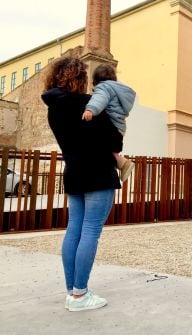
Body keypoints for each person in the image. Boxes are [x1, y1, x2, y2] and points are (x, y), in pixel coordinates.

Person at [42, 56, 121, 312]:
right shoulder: (88, 104)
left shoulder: (53, 108)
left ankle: (72, 291)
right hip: (98, 173)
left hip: (74, 173)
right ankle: (80, 295)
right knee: (90, 231)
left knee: (74, 229)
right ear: (79, 78)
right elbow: (115, 142)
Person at [82, 64, 136, 182]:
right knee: (109, 149)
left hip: (111, 125)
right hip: (119, 127)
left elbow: (99, 99)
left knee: (99, 144)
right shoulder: (119, 91)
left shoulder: (103, 88)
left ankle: (122, 163)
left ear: (95, 81)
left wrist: (90, 109)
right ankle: (122, 163)